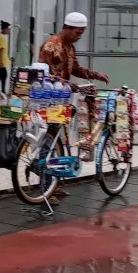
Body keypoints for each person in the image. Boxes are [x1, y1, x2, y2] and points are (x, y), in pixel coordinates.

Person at [38, 12, 110, 205]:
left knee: (58, 143)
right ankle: (45, 189)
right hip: (49, 100)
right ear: (67, 28)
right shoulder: (51, 46)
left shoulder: (70, 47)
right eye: (78, 33)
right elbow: (43, 75)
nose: (80, 36)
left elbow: (76, 70)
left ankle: (53, 183)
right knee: (49, 142)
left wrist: (95, 75)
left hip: (62, 98)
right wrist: (68, 85)